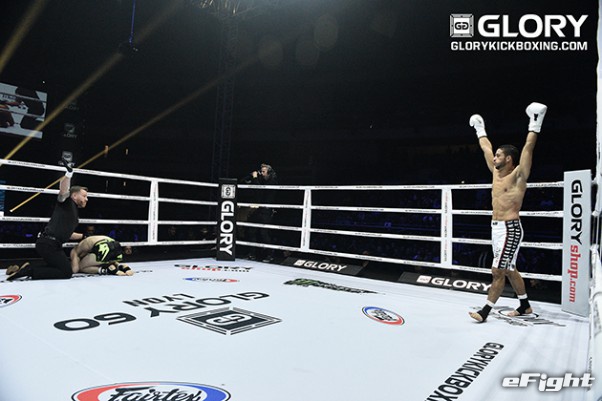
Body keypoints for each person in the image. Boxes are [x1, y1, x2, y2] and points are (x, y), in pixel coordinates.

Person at [468, 101, 547, 323]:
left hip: (510, 228)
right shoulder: (495, 173)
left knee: (498, 271)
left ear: (508, 159)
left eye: (499, 155)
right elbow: (485, 147)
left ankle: (485, 311)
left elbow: (528, 148)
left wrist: (535, 123)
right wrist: (480, 128)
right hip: (496, 228)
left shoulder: (519, 175)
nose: (494, 158)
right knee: (510, 269)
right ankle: (525, 305)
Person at [6, 159, 89, 280]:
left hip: (52, 244)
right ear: (74, 195)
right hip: (48, 244)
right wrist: (69, 174)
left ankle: (27, 267)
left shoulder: (72, 211)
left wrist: (83, 236)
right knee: (66, 272)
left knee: (58, 267)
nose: (86, 199)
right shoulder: (66, 202)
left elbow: (67, 233)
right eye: (84, 196)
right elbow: (63, 190)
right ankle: (29, 271)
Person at [247, 163, 278, 262]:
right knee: (251, 231)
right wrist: (254, 178)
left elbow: (259, 190)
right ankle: (252, 254)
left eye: (264, 171)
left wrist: (255, 178)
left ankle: (270, 255)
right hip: (259, 209)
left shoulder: (272, 181)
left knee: (264, 233)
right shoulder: (263, 180)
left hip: (266, 210)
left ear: (269, 172)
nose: (262, 173)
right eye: (261, 171)